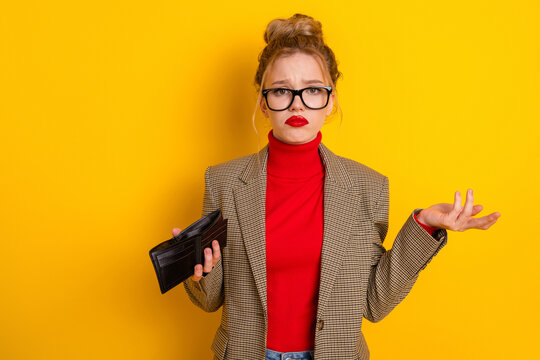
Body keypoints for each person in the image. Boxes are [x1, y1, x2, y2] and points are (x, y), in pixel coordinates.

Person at [176, 13, 501, 360]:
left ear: (330, 101)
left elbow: (374, 302)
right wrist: (196, 268)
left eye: (313, 89)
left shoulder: (368, 188)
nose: (297, 102)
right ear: (263, 101)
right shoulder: (223, 181)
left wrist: (425, 224)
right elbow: (209, 300)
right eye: (282, 90)